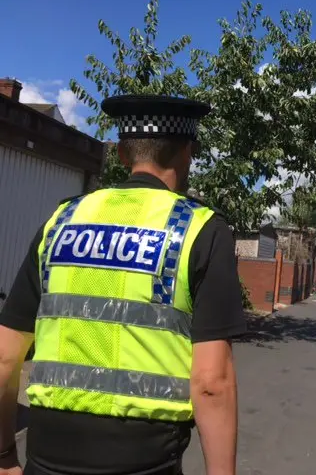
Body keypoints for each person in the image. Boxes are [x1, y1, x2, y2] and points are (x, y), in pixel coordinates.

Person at [0, 95, 246, 475]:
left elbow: (5, 356)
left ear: (121, 156)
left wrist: (4, 456)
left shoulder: (62, 221)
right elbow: (212, 382)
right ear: (187, 155)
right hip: (144, 460)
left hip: (47, 454)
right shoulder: (200, 230)